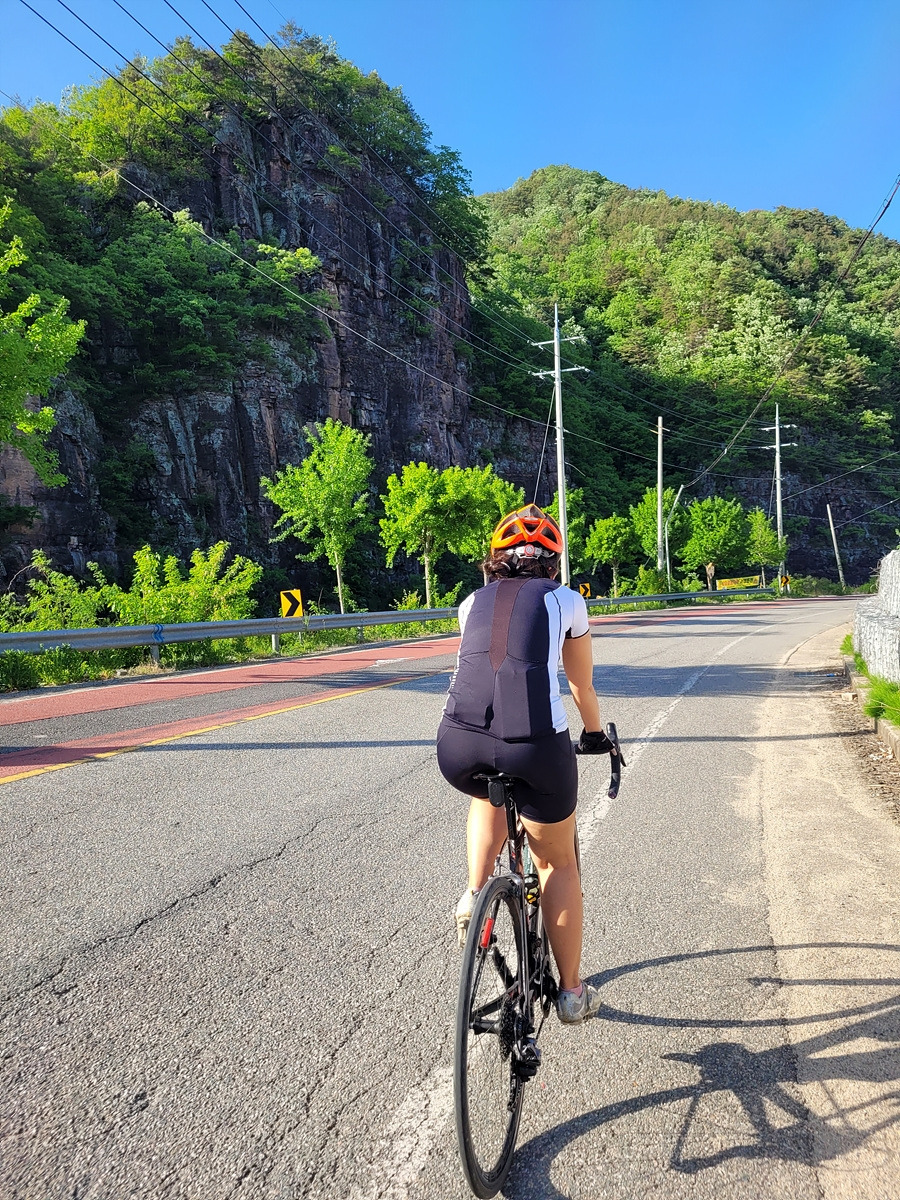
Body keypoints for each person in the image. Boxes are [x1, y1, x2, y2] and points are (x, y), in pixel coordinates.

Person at [436, 504, 618, 1024]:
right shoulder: (568, 601)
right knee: (557, 863)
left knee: (485, 789)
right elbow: (581, 686)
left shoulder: (471, 603)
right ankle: (572, 994)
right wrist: (593, 735)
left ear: (495, 559)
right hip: (535, 745)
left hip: (458, 743)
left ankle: (475, 893)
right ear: (553, 563)